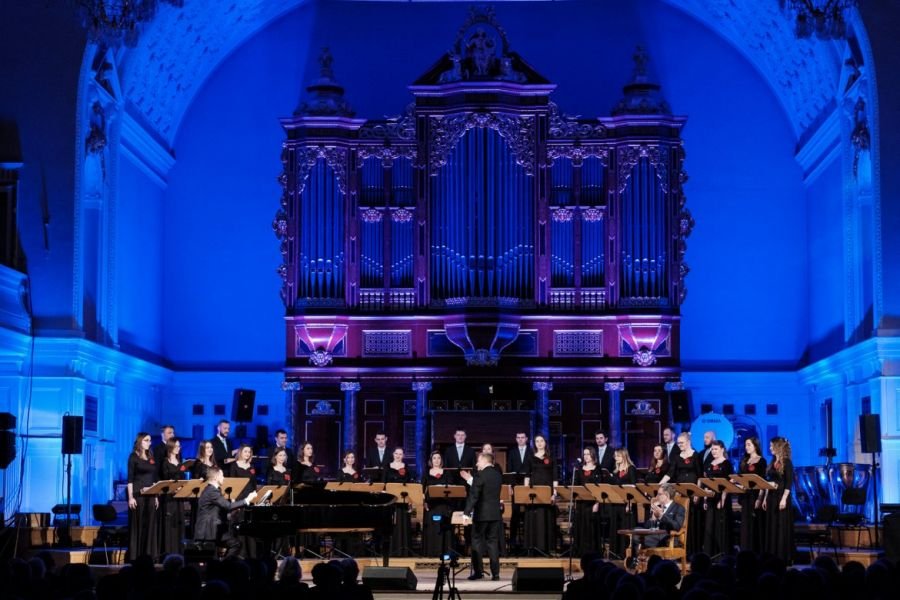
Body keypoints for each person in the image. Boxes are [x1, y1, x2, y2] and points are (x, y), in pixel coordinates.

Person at [193, 466, 257, 559]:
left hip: (215, 529)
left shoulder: (213, 490)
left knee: (236, 544)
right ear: (215, 477)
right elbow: (228, 506)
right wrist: (247, 499)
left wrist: (231, 515)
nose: (223, 478)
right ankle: (223, 565)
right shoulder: (211, 491)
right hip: (208, 531)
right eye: (222, 475)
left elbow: (217, 511)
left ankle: (224, 564)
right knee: (213, 557)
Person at [659, 431, 703, 554]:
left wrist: (697, 493)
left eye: (682, 443)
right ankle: (680, 550)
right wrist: (659, 485)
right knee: (680, 520)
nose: (679, 445)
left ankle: (693, 551)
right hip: (680, 493)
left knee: (692, 521)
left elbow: (700, 476)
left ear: (688, 442)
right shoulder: (677, 457)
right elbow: (670, 473)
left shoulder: (696, 456)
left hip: (693, 493)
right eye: (678, 443)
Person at [462, 452, 503, 581]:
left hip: (481, 515)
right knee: (492, 543)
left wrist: (466, 513)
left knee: (477, 542)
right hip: (495, 514)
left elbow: (474, 495)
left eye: (478, 461)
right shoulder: (498, 475)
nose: (476, 464)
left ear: (485, 461)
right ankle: (495, 574)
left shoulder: (479, 475)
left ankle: (478, 572)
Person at [629, 483, 685, 559]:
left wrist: (662, 516)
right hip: (655, 536)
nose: (657, 497)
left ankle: (636, 561)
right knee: (635, 531)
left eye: (659, 494)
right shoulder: (658, 506)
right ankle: (637, 561)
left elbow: (677, 526)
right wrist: (653, 518)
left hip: (668, 538)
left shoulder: (679, 508)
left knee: (637, 536)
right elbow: (647, 527)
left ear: (667, 495)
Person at [523, 434, 557, 555]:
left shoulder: (551, 457)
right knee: (534, 519)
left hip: (547, 492)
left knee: (545, 518)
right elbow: (527, 476)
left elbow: (555, 477)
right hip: (533, 492)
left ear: (545, 442)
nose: (539, 443)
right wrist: (525, 492)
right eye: (537, 441)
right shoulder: (530, 457)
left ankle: (545, 548)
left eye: (541, 441)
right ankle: (533, 547)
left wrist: (554, 493)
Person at [127, 432, 159, 561]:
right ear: (140, 441)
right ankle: (136, 556)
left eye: (150, 440)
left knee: (150, 525)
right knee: (138, 525)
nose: (149, 442)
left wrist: (156, 496)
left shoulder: (151, 457)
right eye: (146, 440)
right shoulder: (133, 457)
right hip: (137, 495)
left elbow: (154, 478)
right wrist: (130, 497)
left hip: (150, 496)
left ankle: (149, 555)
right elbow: (130, 479)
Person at [763, 436, 794, 562]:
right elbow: (767, 481)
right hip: (771, 497)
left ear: (778, 447)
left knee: (781, 526)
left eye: (771, 446)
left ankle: (782, 557)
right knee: (772, 525)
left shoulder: (787, 462)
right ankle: (772, 555)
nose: (770, 448)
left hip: (781, 497)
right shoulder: (771, 462)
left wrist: (784, 499)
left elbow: (788, 482)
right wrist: (765, 498)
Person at [702, 440, 733, 557]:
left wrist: (723, 500)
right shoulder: (709, 464)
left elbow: (728, 484)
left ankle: (722, 555)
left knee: (721, 526)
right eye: (712, 449)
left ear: (722, 449)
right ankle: (710, 555)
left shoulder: (726, 464)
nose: (713, 451)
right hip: (710, 499)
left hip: (722, 499)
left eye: (716, 449)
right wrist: (705, 499)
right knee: (709, 526)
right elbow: (706, 484)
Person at [737, 436, 767, 553]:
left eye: (749, 444)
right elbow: (740, 477)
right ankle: (745, 551)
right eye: (745, 445)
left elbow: (762, 481)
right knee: (745, 525)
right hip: (745, 496)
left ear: (755, 446)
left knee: (755, 524)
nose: (746, 447)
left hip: (755, 495)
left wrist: (760, 498)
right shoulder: (744, 461)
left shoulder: (761, 461)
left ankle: (756, 552)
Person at [422, 450, 453, 556]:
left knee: (443, 527)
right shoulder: (426, 474)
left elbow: (452, 489)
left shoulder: (447, 473)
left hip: (443, 505)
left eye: (438, 458)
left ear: (441, 460)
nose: (436, 460)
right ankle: (431, 552)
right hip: (431, 505)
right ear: (431, 460)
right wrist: (424, 502)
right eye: (434, 458)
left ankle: (444, 553)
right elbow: (422, 490)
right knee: (432, 528)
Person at [159, 437, 186, 556]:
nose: (179, 448)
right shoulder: (165, 462)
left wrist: (182, 486)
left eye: (179, 446)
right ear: (170, 447)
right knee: (169, 524)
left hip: (179, 497)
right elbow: (165, 479)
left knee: (179, 523)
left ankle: (179, 552)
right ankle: (168, 552)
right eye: (176, 446)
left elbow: (183, 479)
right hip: (169, 498)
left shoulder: (180, 463)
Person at [571, 447, 601, 557]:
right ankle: (580, 551)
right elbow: (576, 486)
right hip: (580, 503)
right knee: (580, 526)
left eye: (588, 454)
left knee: (591, 528)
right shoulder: (579, 469)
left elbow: (599, 488)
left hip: (592, 503)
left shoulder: (598, 469)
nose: (586, 456)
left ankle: (592, 552)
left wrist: (597, 503)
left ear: (593, 455)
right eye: (584, 454)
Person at [385, 447, 414, 556]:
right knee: (393, 525)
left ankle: (404, 550)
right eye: (396, 453)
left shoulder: (407, 468)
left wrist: (410, 500)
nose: (398, 456)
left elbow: (410, 485)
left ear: (403, 456)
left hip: (404, 502)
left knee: (404, 524)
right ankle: (393, 551)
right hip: (392, 502)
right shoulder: (387, 467)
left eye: (400, 454)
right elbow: (384, 483)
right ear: (393, 454)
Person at [609, 448, 637, 557]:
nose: (616, 458)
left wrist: (629, 503)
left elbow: (634, 487)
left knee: (626, 527)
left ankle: (626, 553)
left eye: (618, 456)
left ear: (624, 456)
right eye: (615, 456)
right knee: (616, 527)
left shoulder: (631, 469)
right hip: (616, 503)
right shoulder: (615, 471)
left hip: (627, 504)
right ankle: (615, 553)